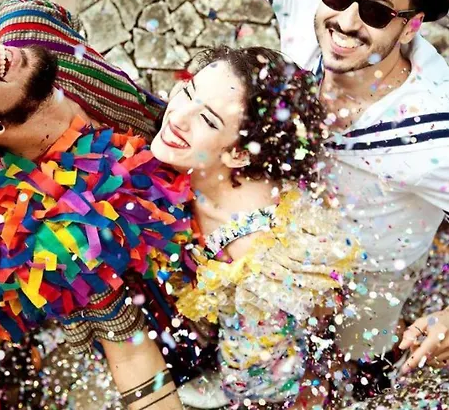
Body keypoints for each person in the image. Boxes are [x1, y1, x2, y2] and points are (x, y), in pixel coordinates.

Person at [237, 0, 449, 386]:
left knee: (358, 348)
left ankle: (365, 370)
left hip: (373, 274)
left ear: (411, 26)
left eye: (376, 12)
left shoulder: (435, 132)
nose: (346, 21)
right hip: (285, 239)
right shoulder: (307, 1)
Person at [0, 0, 200, 409]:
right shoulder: (49, 227)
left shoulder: (23, 28)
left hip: (216, 176)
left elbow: (54, 3)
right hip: (182, 313)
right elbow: (129, 352)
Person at [151, 45, 358, 409]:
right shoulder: (196, 164)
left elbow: (256, 357)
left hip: (261, 347)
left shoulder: (258, 249)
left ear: (240, 154)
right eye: (188, 91)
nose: (178, 117)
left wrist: (241, 386)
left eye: (208, 120)